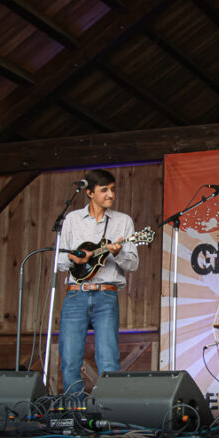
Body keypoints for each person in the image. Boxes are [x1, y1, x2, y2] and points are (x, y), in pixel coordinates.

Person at [57, 169, 139, 395]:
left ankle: (108, 412)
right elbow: (60, 260)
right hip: (76, 292)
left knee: (109, 358)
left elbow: (132, 265)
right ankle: (73, 410)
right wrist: (73, 258)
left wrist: (118, 253)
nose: (110, 194)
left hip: (106, 294)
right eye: (104, 190)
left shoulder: (123, 222)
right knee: (70, 357)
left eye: (112, 189)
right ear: (90, 193)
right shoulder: (72, 219)